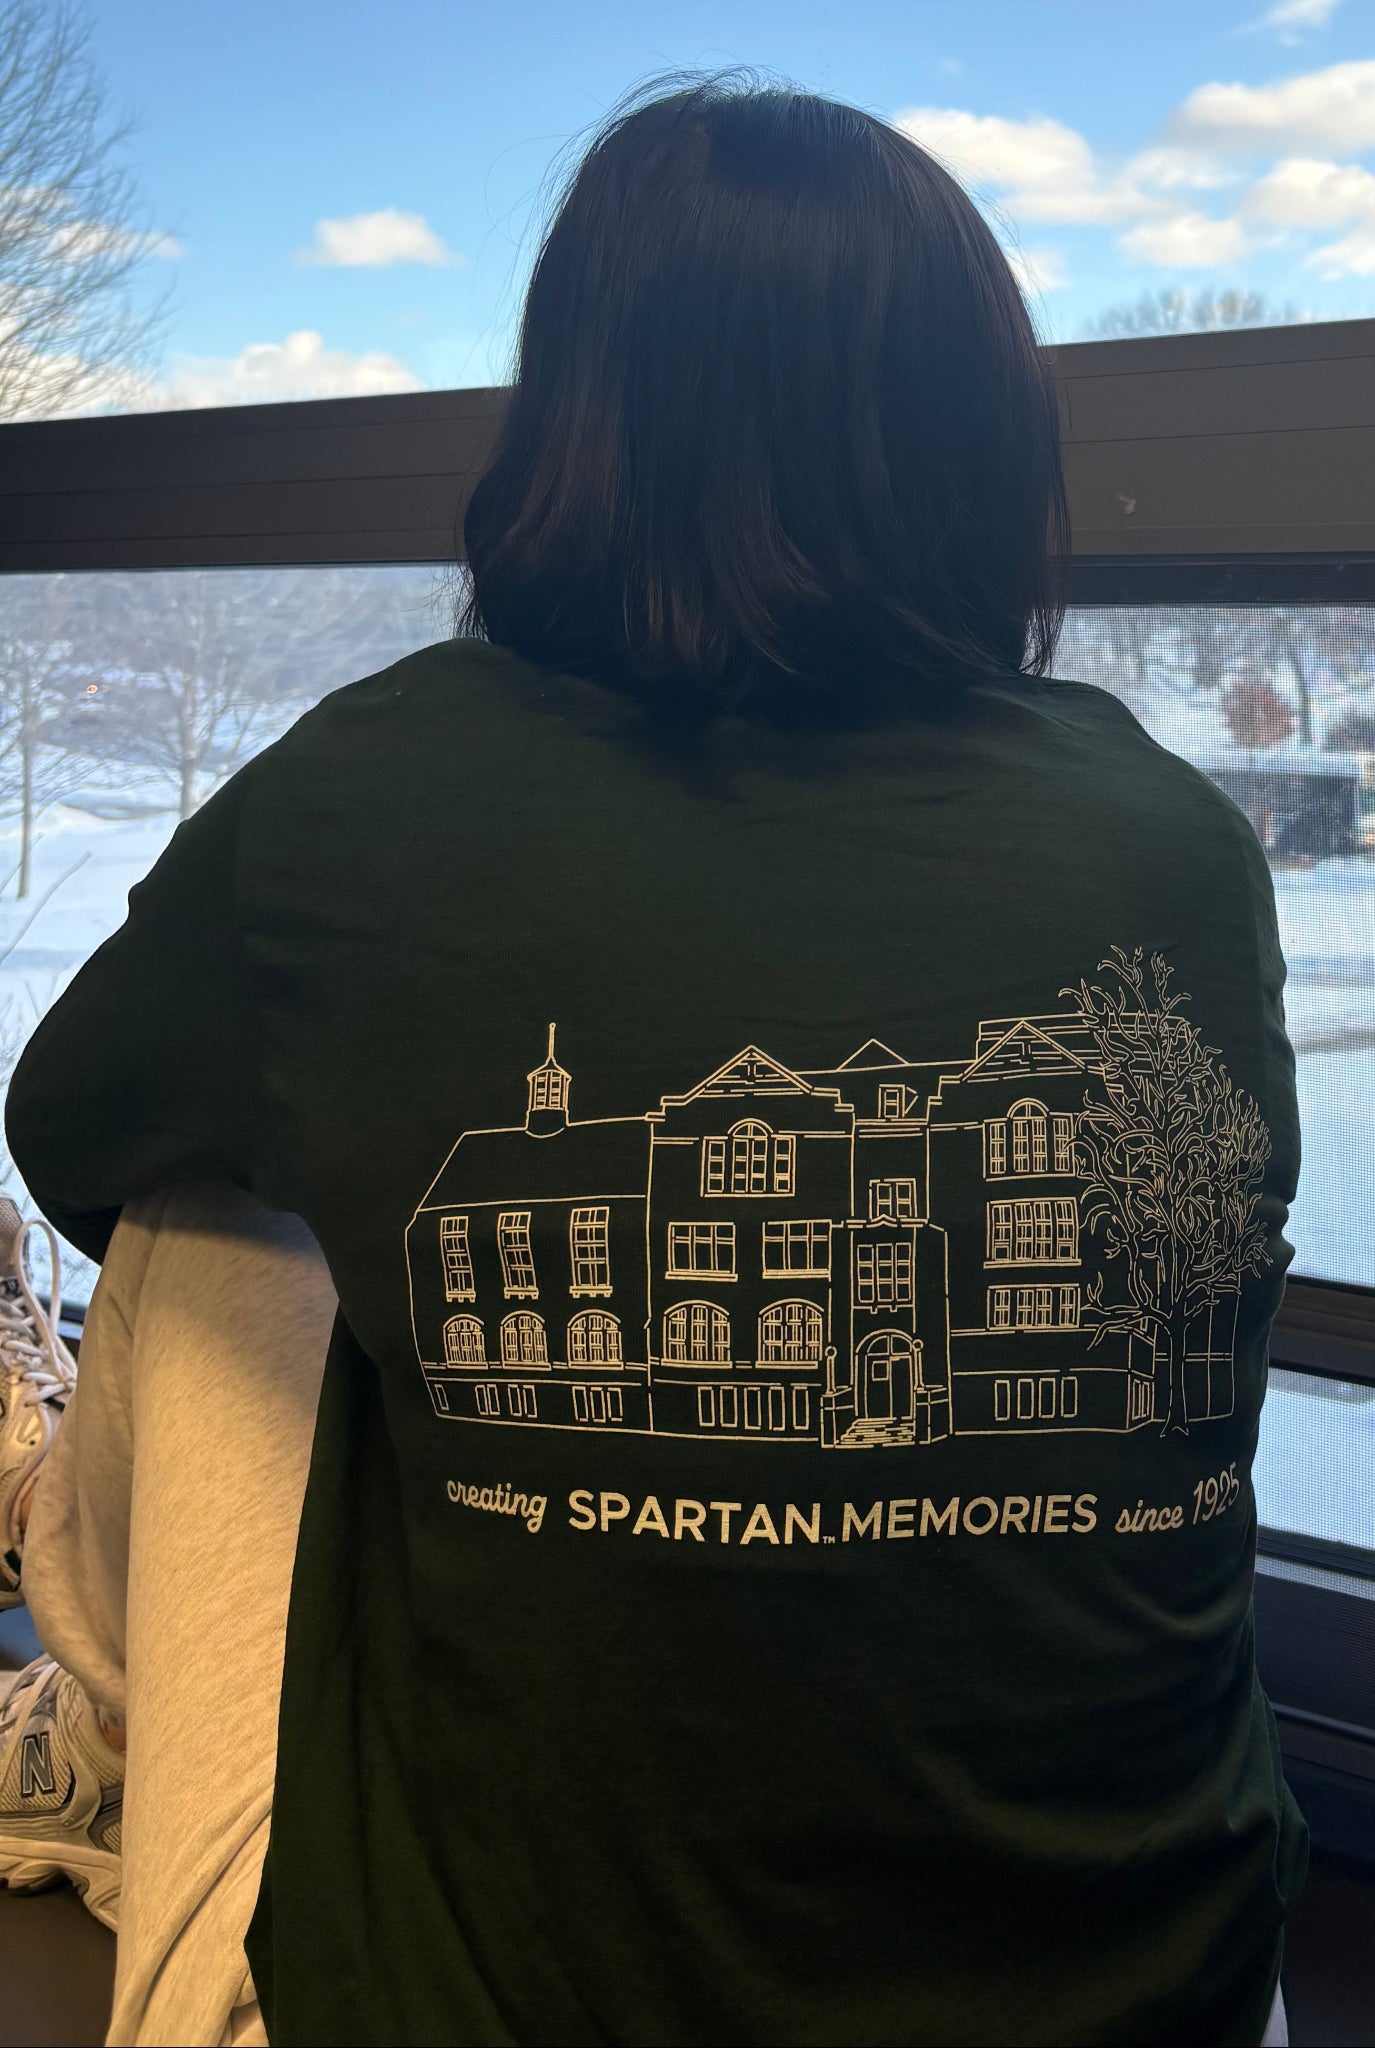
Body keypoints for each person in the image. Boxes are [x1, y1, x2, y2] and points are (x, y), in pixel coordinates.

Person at [0, 71, 1301, 2048]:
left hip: (483, 2005)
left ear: (582, 433)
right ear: (981, 446)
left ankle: (81, 1693)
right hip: (1169, 1996)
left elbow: (73, 1129)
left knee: (215, 1210)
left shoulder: (372, 789)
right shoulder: (1174, 844)